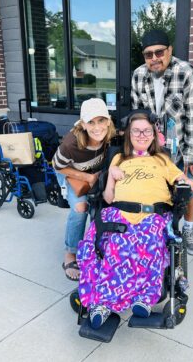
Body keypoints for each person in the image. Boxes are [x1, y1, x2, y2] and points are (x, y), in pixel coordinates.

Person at [76, 110, 193, 329]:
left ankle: (143, 297)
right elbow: (108, 198)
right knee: (113, 245)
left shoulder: (162, 159)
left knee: (148, 243)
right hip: (119, 212)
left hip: (153, 215)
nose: (141, 135)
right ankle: (103, 303)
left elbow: (185, 181)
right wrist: (111, 176)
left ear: (153, 135)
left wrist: (187, 184)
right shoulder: (119, 158)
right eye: (136, 131)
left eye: (146, 131)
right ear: (129, 135)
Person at [131, 29, 193, 256]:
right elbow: (138, 116)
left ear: (169, 50)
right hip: (155, 149)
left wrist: (191, 156)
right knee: (158, 190)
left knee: (187, 188)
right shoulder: (138, 75)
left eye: (159, 52)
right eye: (148, 54)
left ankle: (188, 230)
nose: (154, 58)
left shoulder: (186, 72)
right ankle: (163, 231)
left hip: (184, 146)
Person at [52, 98, 116, 281]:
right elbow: (57, 166)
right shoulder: (70, 144)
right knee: (81, 208)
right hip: (71, 173)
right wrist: (87, 177)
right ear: (83, 124)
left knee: (105, 206)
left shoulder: (111, 135)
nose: (97, 127)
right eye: (91, 122)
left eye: (101, 120)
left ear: (108, 120)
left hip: (95, 173)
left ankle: (96, 247)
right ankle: (70, 254)